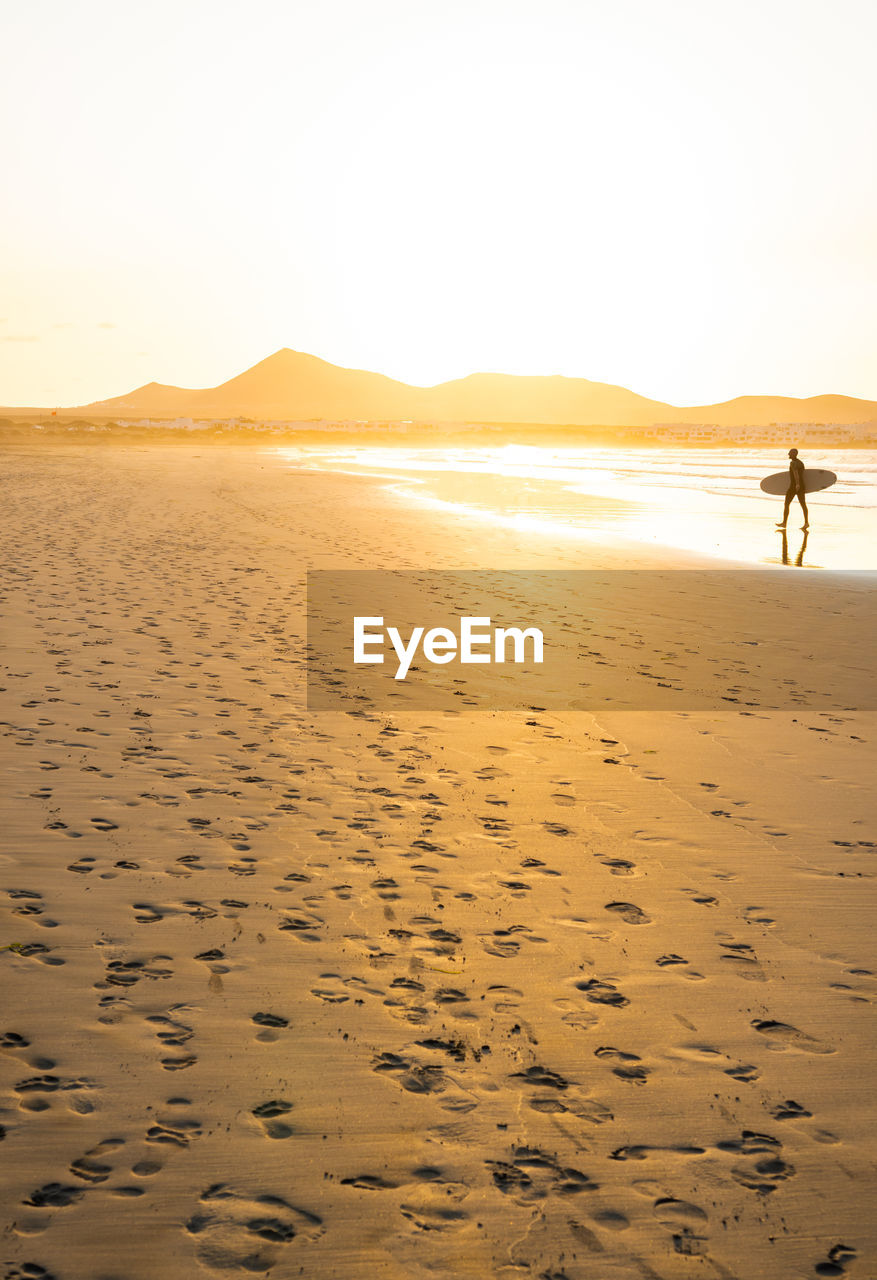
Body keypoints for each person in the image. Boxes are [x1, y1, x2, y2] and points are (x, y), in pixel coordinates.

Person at [776, 448, 809, 530]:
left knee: (787, 504)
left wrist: (797, 484)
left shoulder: (793, 463)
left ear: (794, 454)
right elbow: (803, 474)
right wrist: (800, 485)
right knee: (803, 504)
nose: (788, 454)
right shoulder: (800, 462)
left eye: (790, 453)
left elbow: (796, 474)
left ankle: (784, 523)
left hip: (794, 486)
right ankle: (806, 523)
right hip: (801, 486)